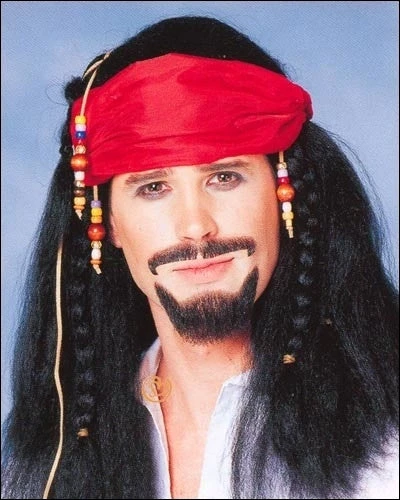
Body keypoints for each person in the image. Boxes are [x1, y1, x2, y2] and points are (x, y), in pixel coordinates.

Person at [1, 14, 398, 500]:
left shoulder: (388, 445)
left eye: (224, 177)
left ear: (285, 194)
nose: (195, 226)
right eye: (153, 187)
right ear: (110, 223)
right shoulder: (45, 465)